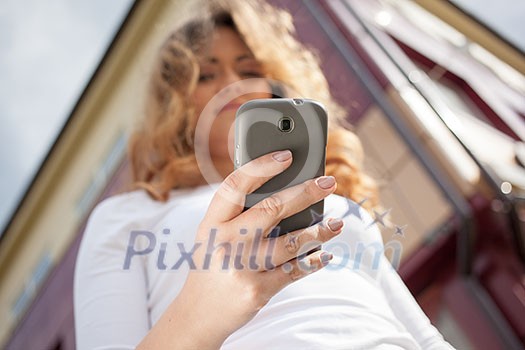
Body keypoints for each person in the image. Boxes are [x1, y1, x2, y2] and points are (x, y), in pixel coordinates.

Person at [73, 0, 455, 349]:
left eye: (249, 69)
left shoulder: (333, 202)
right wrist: (204, 308)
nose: (232, 85)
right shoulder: (127, 215)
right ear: (176, 99)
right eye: (206, 75)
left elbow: (424, 335)